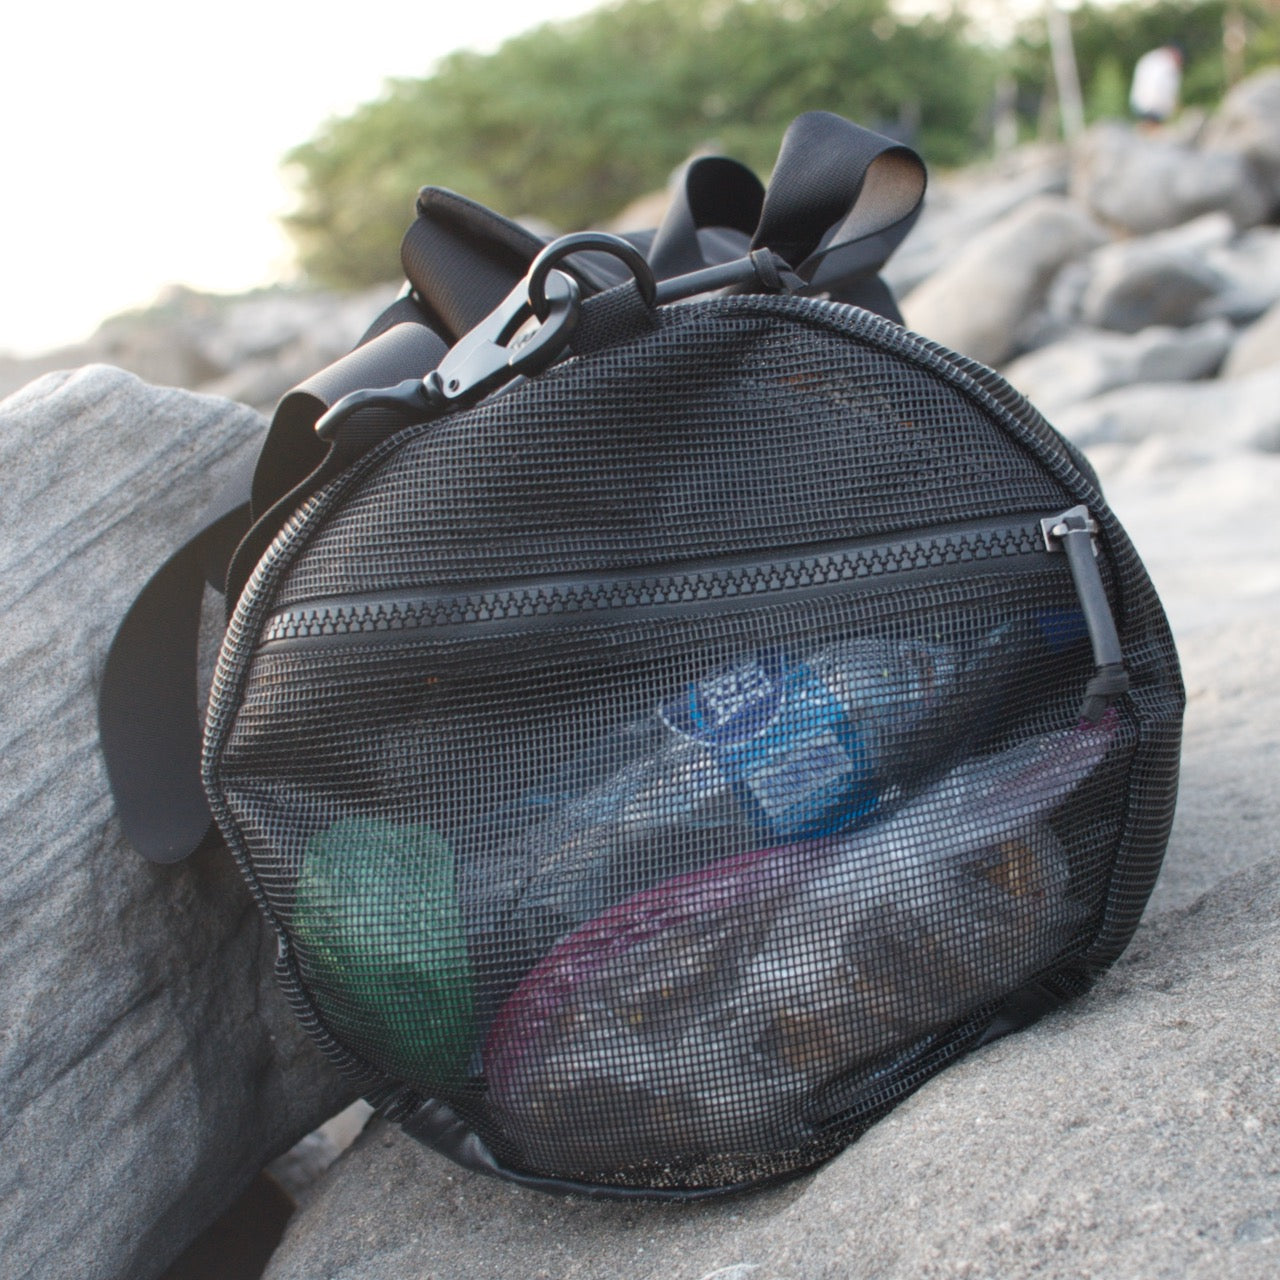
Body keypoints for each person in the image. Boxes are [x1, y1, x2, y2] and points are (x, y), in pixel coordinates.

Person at [1129, 44, 1184, 127]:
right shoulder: (1167, 64)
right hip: (1155, 108)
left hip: (1138, 104)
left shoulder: (1150, 58)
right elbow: (1165, 90)